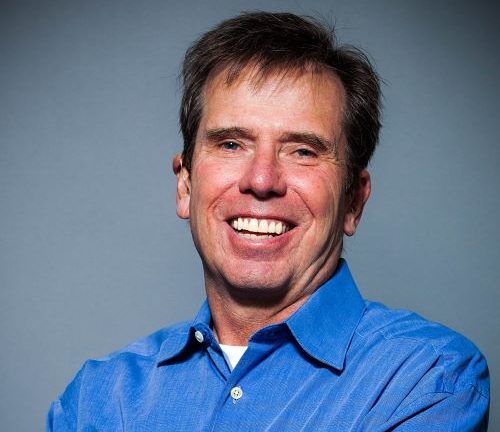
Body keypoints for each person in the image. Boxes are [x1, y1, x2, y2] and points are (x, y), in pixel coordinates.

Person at [47, 11, 489, 431]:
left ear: (353, 200)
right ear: (185, 186)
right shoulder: (98, 398)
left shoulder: (427, 379)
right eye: (231, 144)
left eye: (303, 151)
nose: (261, 181)